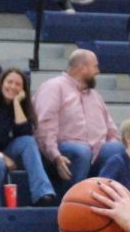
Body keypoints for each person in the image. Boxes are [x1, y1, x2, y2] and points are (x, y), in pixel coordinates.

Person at [33, 49, 122, 196]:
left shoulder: (95, 96)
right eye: (95, 66)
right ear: (83, 67)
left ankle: (104, 201)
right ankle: (72, 203)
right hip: (61, 157)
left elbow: (112, 131)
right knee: (81, 151)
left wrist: (112, 145)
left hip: (93, 156)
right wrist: (55, 156)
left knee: (116, 149)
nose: (98, 71)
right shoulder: (54, 87)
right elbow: (44, 127)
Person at [0, 67, 53, 207]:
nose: (12, 87)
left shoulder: (19, 105)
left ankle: (42, 193)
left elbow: (24, 134)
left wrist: (16, 104)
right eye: (9, 82)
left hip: (2, 150)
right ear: (2, 83)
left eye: (18, 84)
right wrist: (3, 157)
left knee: (28, 142)